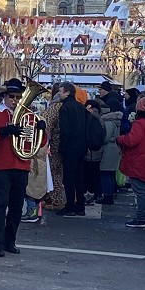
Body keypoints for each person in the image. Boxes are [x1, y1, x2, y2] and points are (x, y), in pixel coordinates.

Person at [0, 78, 43, 257]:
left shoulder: (29, 115)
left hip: (21, 164)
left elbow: (39, 143)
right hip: (1, 165)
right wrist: (6, 130)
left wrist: (41, 129)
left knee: (17, 206)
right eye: (12, 96)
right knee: (0, 204)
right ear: (4, 96)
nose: (15, 100)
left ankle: (10, 241)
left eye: (18, 96)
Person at [118, 96, 145, 230]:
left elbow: (132, 140)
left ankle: (141, 218)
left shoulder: (141, 123)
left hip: (140, 161)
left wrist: (120, 139)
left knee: (141, 191)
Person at [55, 81, 89, 217]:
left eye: (61, 90)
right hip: (81, 147)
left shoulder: (64, 108)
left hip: (70, 148)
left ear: (68, 92)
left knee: (69, 178)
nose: (59, 93)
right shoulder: (80, 107)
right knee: (79, 177)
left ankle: (70, 206)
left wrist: (61, 148)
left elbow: (65, 131)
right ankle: (80, 205)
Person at [97, 94, 124, 206]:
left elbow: (106, 137)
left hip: (108, 149)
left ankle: (107, 196)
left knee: (105, 173)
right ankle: (111, 193)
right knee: (111, 173)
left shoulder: (108, 121)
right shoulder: (117, 120)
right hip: (115, 148)